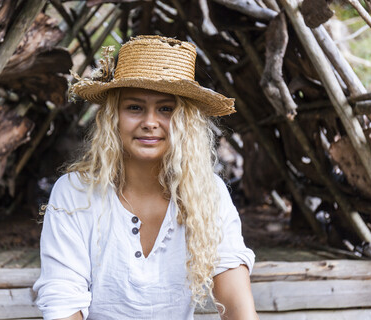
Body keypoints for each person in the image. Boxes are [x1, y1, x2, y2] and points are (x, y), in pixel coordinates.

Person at [33, 35, 258, 320]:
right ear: (113, 116)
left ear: (185, 120)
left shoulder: (207, 192)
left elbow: (235, 296)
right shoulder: (74, 193)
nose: (150, 122)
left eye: (166, 109)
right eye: (135, 107)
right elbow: (62, 299)